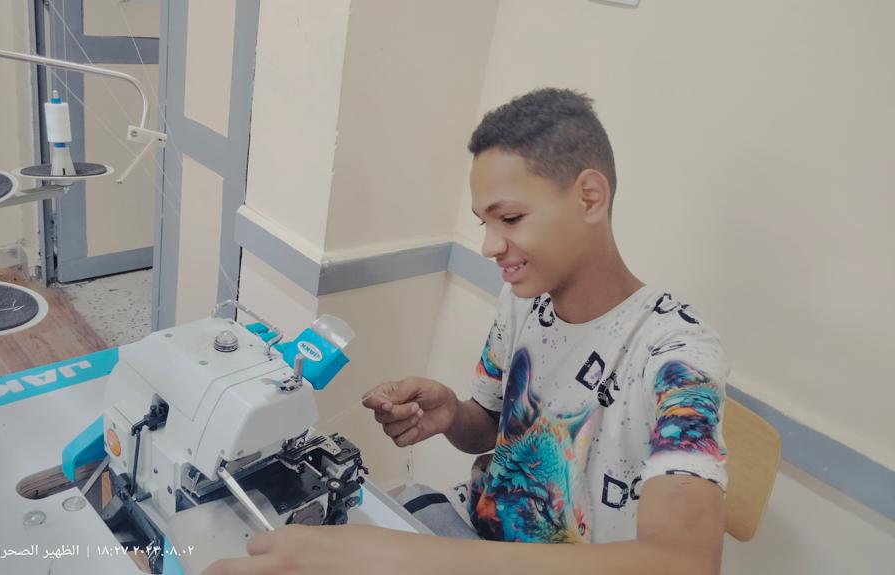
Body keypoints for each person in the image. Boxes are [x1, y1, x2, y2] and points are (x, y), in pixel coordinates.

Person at [204, 88, 730, 575]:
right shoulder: (523, 302)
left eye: (511, 218)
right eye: (485, 223)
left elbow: (683, 562)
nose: (490, 246)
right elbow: (491, 429)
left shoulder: (676, 354)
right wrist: (454, 414)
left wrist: (404, 559)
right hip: (473, 530)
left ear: (590, 197)